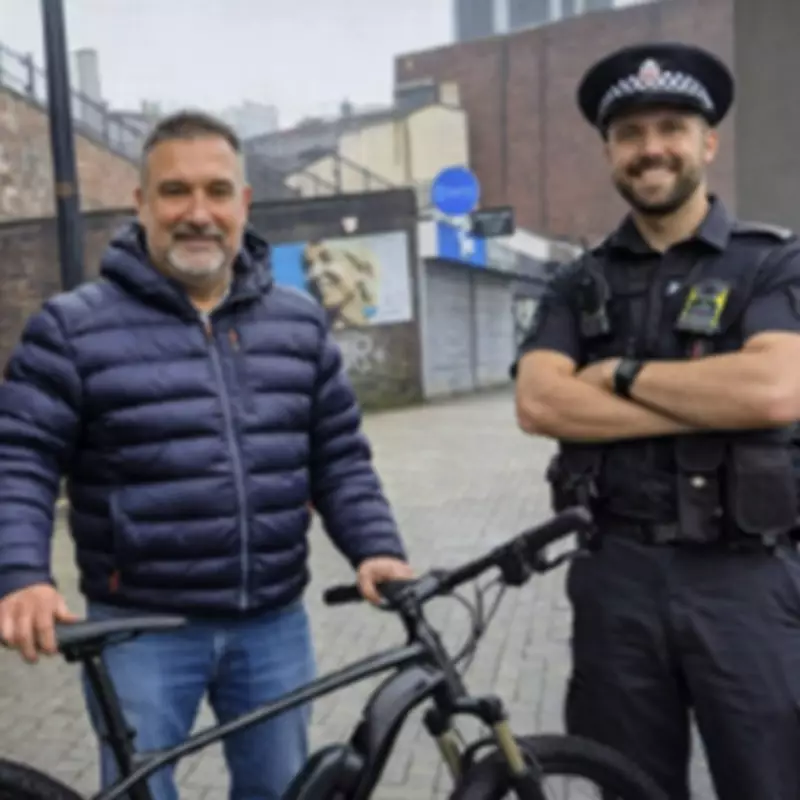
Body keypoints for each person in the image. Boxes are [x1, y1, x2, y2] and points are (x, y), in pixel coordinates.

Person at [0, 110, 412, 800]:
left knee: (281, 792)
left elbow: (337, 455)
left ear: (243, 203)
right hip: (140, 631)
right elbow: (20, 459)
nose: (198, 213)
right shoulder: (73, 327)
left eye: (218, 191)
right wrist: (20, 572)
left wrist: (375, 546)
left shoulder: (299, 322)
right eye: (175, 191)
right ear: (140, 204)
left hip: (273, 624)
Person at [513, 42, 800, 800]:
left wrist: (626, 375)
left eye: (671, 127)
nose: (652, 149)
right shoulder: (580, 281)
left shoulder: (771, 262)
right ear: (610, 151)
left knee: (770, 781)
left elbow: (775, 390)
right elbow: (540, 402)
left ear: (707, 142)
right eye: (631, 134)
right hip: (616, 582)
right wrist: (704, 398)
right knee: (627, 784)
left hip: (745, 582)